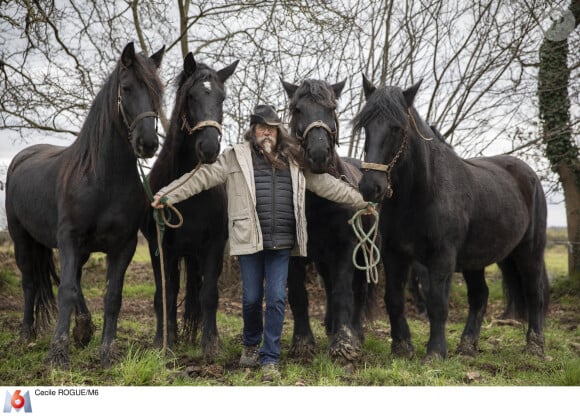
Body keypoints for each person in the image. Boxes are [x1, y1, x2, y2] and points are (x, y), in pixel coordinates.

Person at [151, 104, 373, 382]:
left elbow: (326, 184)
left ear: (279, 132)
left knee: (278, 299)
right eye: (260, 128)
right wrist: (167, 194)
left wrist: (363, 202)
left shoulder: (295, 159)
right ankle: (251, 345)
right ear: (253, 131)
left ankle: (270, 356)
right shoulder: (235, 157)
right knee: (253, 299)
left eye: (270, 128)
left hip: (282, 244)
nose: (265, 133)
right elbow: (202, 177)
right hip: (250, 242)